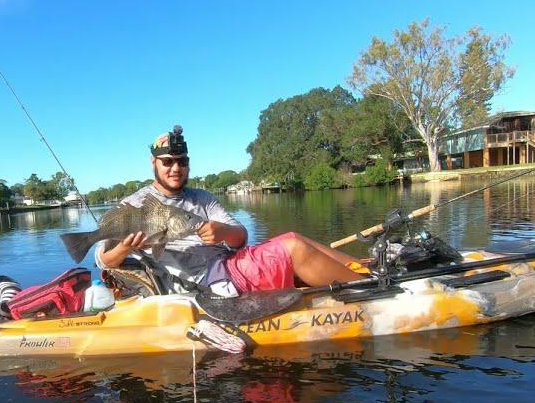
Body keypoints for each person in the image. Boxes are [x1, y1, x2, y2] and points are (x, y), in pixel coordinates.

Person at [94, 125, 369, 296]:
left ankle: (363, 271)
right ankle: (369, 291)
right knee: (294, 249)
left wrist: (223, 231)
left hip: (231, 262)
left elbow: (241, 238)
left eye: (182, 161)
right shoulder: (135, 205)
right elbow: (103, 260)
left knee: (293, 236)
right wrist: (125, 249)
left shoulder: (201, 197)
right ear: (153, 163)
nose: (175, 168)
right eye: (167, 162)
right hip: (210, 281)